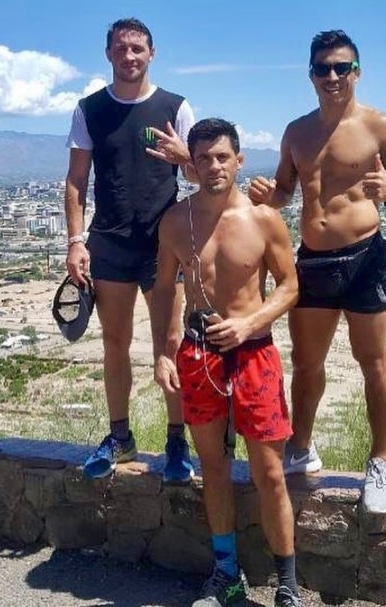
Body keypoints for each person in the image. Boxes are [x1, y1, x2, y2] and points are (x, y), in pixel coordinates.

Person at [248, 29, 386, 514]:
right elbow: (286, 191)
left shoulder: (381, 126)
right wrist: (269, 195)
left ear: (357, 72)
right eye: (323, 68)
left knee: (374, 362)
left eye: (342, 67)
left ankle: (381, 459)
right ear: (310, 74)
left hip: (366, 257)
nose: (332, 76)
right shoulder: (296, 132)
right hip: (315, 259)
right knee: (306, 365)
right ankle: (300, 447)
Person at [151, 118, 303, 607]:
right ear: (190, 165)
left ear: (239, 161)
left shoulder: (263, 220)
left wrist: (248, 322)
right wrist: (161, 350)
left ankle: (288, 585)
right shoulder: (175, 222)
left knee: (270, 472)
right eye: (203, 158)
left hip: (253, 351)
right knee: (213, 468)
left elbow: (290, 286)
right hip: (198, 356)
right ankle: (226, 576)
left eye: (222, 157)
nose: (213, 166)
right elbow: (164, 290)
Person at [64, 17, 196, 483]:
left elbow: (204, 177)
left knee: (172, 344)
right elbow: (77, 180)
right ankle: (120, 436)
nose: (130, 56)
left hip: (164, 246)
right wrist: (76, 241)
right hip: (111, 243)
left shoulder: (176, 107)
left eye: (138, 48)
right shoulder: (90, 110)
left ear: (152, 53)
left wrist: (187, 159)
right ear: (108, 54)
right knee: (115, 343)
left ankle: (177, 443)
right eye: (121, 48)